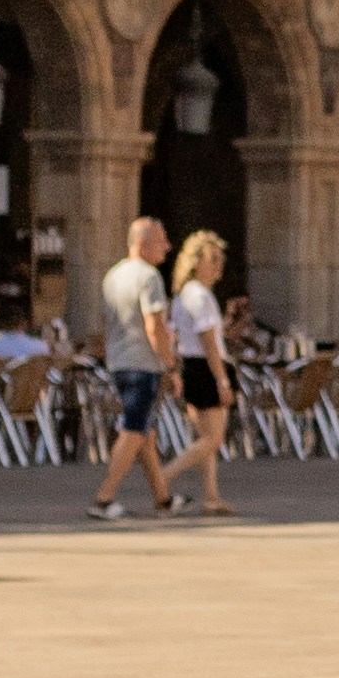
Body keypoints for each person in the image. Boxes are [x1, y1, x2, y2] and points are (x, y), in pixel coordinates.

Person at [89, 216, 177, 524]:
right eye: (161, 241)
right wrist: (170, 364)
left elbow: (106, 323)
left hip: (119, 361)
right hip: (143, 363)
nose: (167, 247)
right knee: (134, 429)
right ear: (141, 242)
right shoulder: (149, 276)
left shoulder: (113, 275)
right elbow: (154, 326)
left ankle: (163, 498)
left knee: (144, 433)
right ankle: (103, 498)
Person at [165, 231, 237, 518]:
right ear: (196, 262)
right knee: (213, 439)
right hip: (206, 367)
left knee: (206, 438)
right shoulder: (199, 295)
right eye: (213, 259)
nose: (219, 266)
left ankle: (211, 496)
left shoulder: (184, 294)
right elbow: (208, 341)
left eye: (221, 260)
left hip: (193, 365)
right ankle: (163, 477)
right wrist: (222, 380)